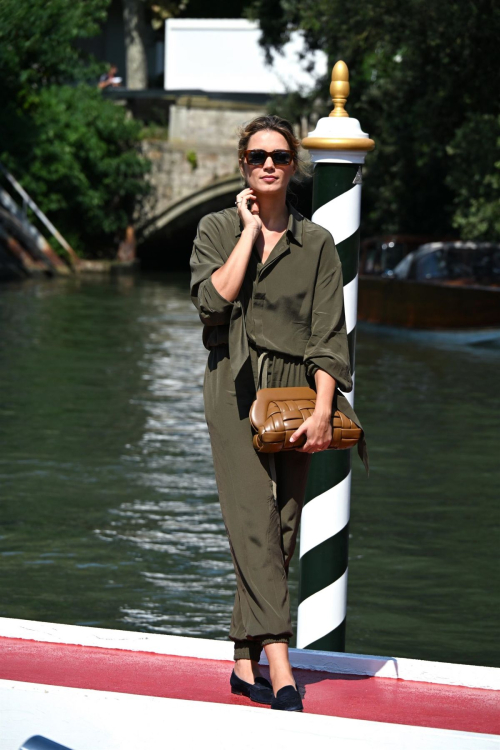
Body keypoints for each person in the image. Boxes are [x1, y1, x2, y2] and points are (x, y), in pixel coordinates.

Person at [190, 115, 361, 712]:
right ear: (243, 164)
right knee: (255, 522)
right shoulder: (215, 227)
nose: (269, 163)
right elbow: (212, 302)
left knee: (283, 526)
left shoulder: (316, 244)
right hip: (232, 383)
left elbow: (327, 339)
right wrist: (246, 231)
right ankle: (283, 668)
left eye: (280, 156)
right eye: (258, 155)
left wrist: (321, 412)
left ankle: (244, 659)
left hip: (294, 394)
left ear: (295, 167)